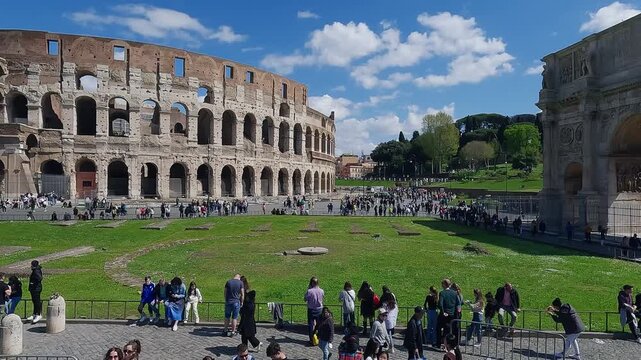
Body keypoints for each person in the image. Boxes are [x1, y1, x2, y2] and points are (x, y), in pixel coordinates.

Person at [239, 276, 262, 352]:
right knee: (244, 334)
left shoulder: (246, 292)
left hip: (247, 315)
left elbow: (246, 302)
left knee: (247, 334)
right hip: (247, 315)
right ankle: (244, 347)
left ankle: (256, 343)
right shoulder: (245, 290)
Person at [437, 278, 460, 348]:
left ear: (444, 285)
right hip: (452, 315)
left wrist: (443, 312)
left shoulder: (442, 293)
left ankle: (439, 343)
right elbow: (458, 303)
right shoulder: (454, 293)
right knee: (449, 330)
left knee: (438, 329)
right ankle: (448, 344)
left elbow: (440, 304)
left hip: (444, 315)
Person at [305, 276, 324, 345]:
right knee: (319, 325)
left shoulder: (309, 291)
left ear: (312, 283)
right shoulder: (321, 290)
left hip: (311, 309)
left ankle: (311, 339)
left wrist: (308, 289)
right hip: (319, 309)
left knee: (310, 325)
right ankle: (319, 338)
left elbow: (305, 299)